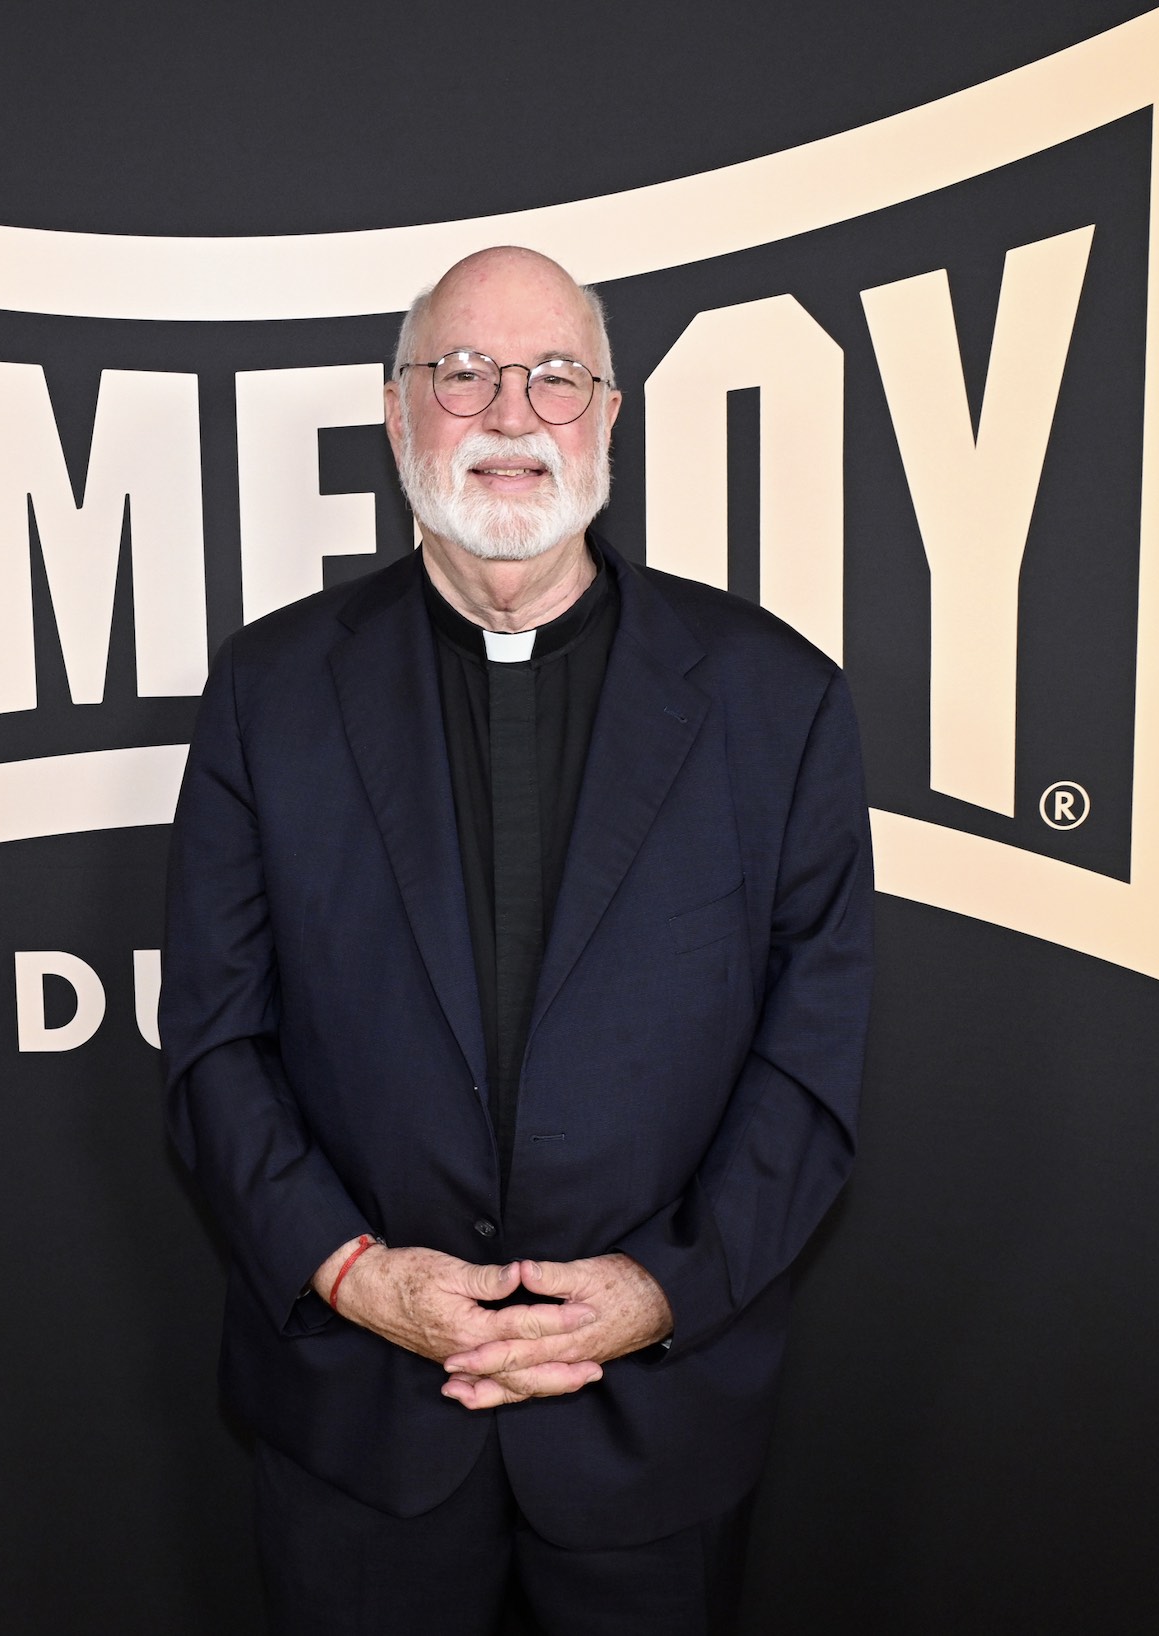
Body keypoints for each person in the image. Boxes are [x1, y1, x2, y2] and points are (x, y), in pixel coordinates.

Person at [161, 245, 873, 1635]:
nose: (508, 413)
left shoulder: (773, 700)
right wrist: (357, 1276)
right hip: (357, 1420)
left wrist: (657, 1292)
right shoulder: (270, 692)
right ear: (394, 411)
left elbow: (810, 1064)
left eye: (555, 377)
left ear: (606, 416)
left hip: (647, 1424)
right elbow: (214, 1043)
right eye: (463, 372)